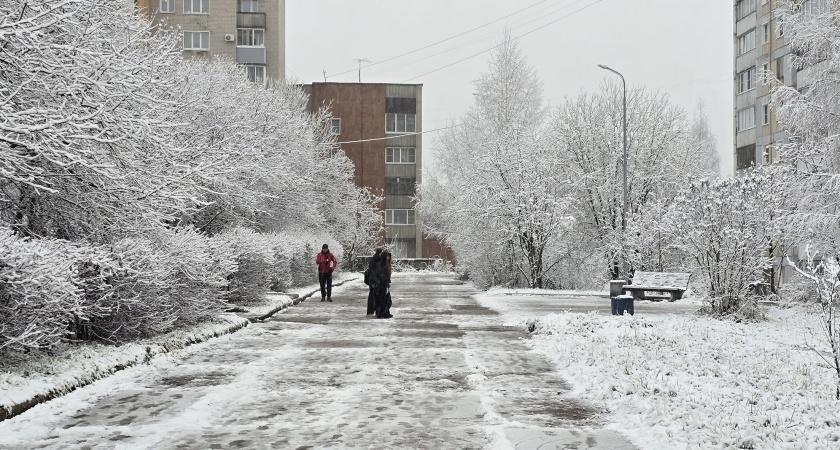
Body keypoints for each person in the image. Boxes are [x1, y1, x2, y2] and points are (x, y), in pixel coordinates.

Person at [365, 249, 382, 315]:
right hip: (374, 280)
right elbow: (373, 271)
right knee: (374, 295)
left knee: (372, 295)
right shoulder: (376, 260)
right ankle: (374, 310)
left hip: (373, 280)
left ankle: (371, 310)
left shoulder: (374, 259)